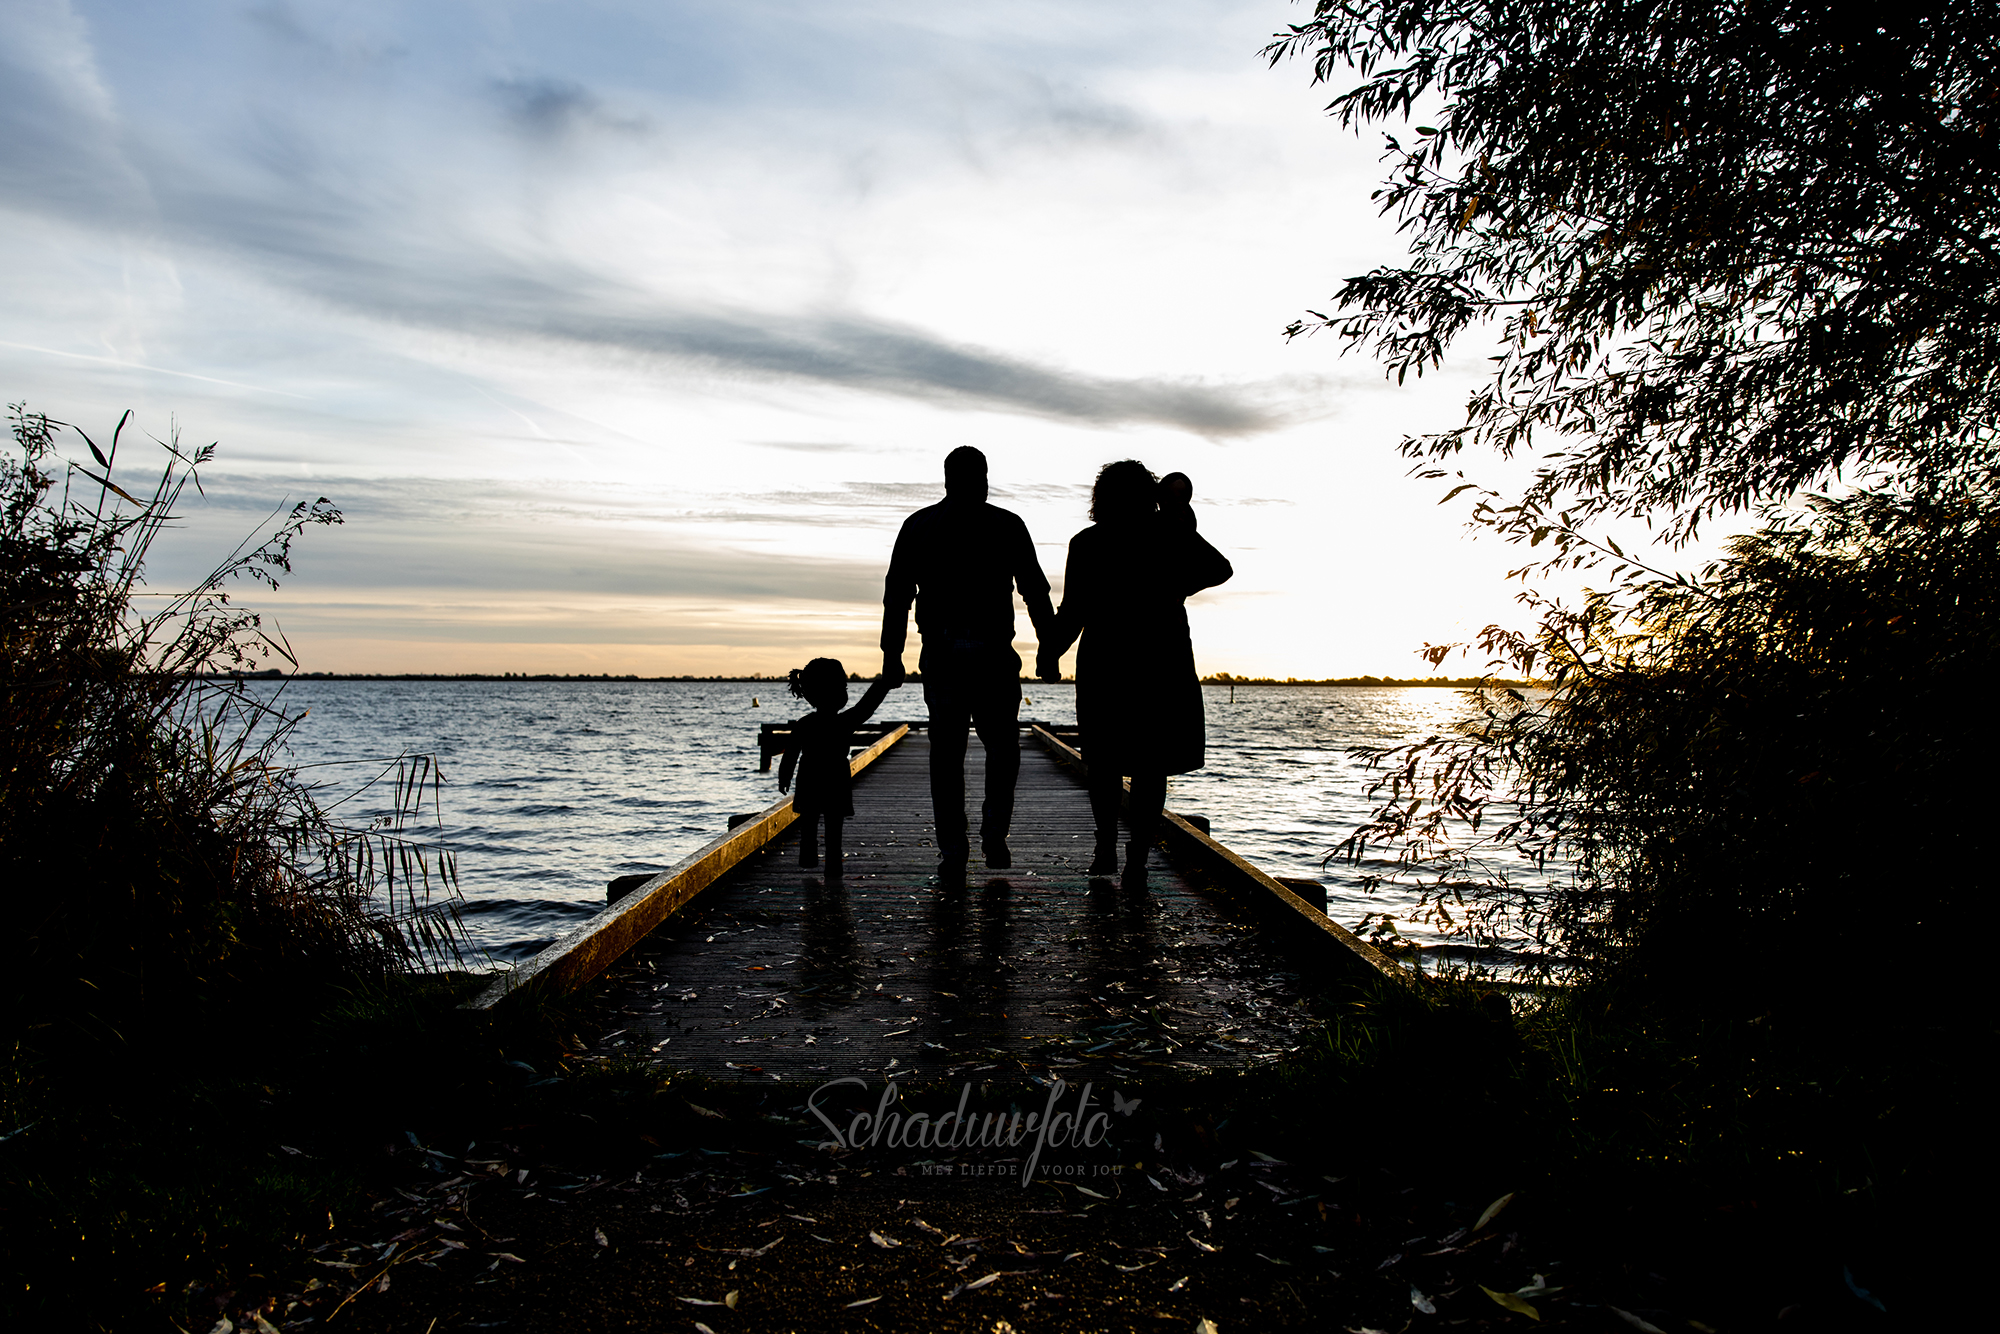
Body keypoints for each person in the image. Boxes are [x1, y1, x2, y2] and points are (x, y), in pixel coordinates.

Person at [1037, 461, 1233, 886]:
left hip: (1107, 663)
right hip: (1161, 663)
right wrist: (1180, 543)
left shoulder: (1089, 542)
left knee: (1104, 762)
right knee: (1150, 766)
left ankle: (1107, 847)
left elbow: (1073, 611)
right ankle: (1136, 858)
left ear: (1101, 499)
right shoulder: (1166, 535)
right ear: (1150, 496)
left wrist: (1049, 653)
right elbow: (1218, 569)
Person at [881, 446, 1056, 875]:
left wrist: (892, 655)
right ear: (979, 479)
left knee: (952, 755)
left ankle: (960, 848)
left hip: (953, 655)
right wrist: (1048, 648)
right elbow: (1034, 591)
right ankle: (983, 838)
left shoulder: (922, 525)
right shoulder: (1005, 524)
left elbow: (897, 596)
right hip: (982, 654)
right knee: (997, 750)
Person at [777, 658, 898, 882]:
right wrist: (882, 685)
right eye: (843, 687)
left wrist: (784, 777)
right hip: (835, 780)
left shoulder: (804, 723)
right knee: (834, 827)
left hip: (810, 780)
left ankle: (809, 856)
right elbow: (867, 706)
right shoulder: (844, 721)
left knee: (809, 821)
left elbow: (791, 754)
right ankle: (832, 865)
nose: (844, 692)